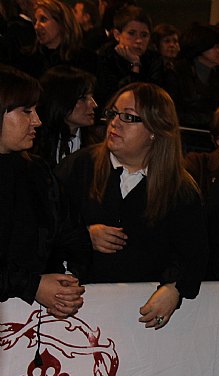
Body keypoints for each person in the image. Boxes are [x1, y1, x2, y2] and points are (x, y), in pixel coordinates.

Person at [55, 82, 208, 329]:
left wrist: (174, 288)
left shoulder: (180, 188)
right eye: (113, 113)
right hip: (78, 317)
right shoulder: (79, 167)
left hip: (142, 322)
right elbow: (41, 231)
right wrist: (84, 236)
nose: (115, 122)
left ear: (155, 131)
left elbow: (194, 254)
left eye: (128, 117)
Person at [0, 65, 85, 318]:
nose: (37, 120)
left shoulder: (37, 171)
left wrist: (66, 282)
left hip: (31, 325)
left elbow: (70, 234)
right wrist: (33, 285)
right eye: (26, 111)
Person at [95, 5, 163, 108]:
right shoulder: (106, 57)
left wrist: (135, 63)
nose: (139, 40)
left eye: (144, 35)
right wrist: (135, 66)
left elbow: (152, 98)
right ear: (117, 35)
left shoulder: (154, 59)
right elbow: (114, 99)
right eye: (132, 33)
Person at [34, 65, 99, 165]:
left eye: (92, 97)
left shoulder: (98, 144)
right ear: (60, 101)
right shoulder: (34, 142)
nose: (94, 104)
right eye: (83, 98)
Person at [33, 0, 97, 76]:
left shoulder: (85, 60)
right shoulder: (29, 59)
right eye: (35, 21)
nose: (36, 26)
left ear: (61, 23)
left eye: (43, 19)